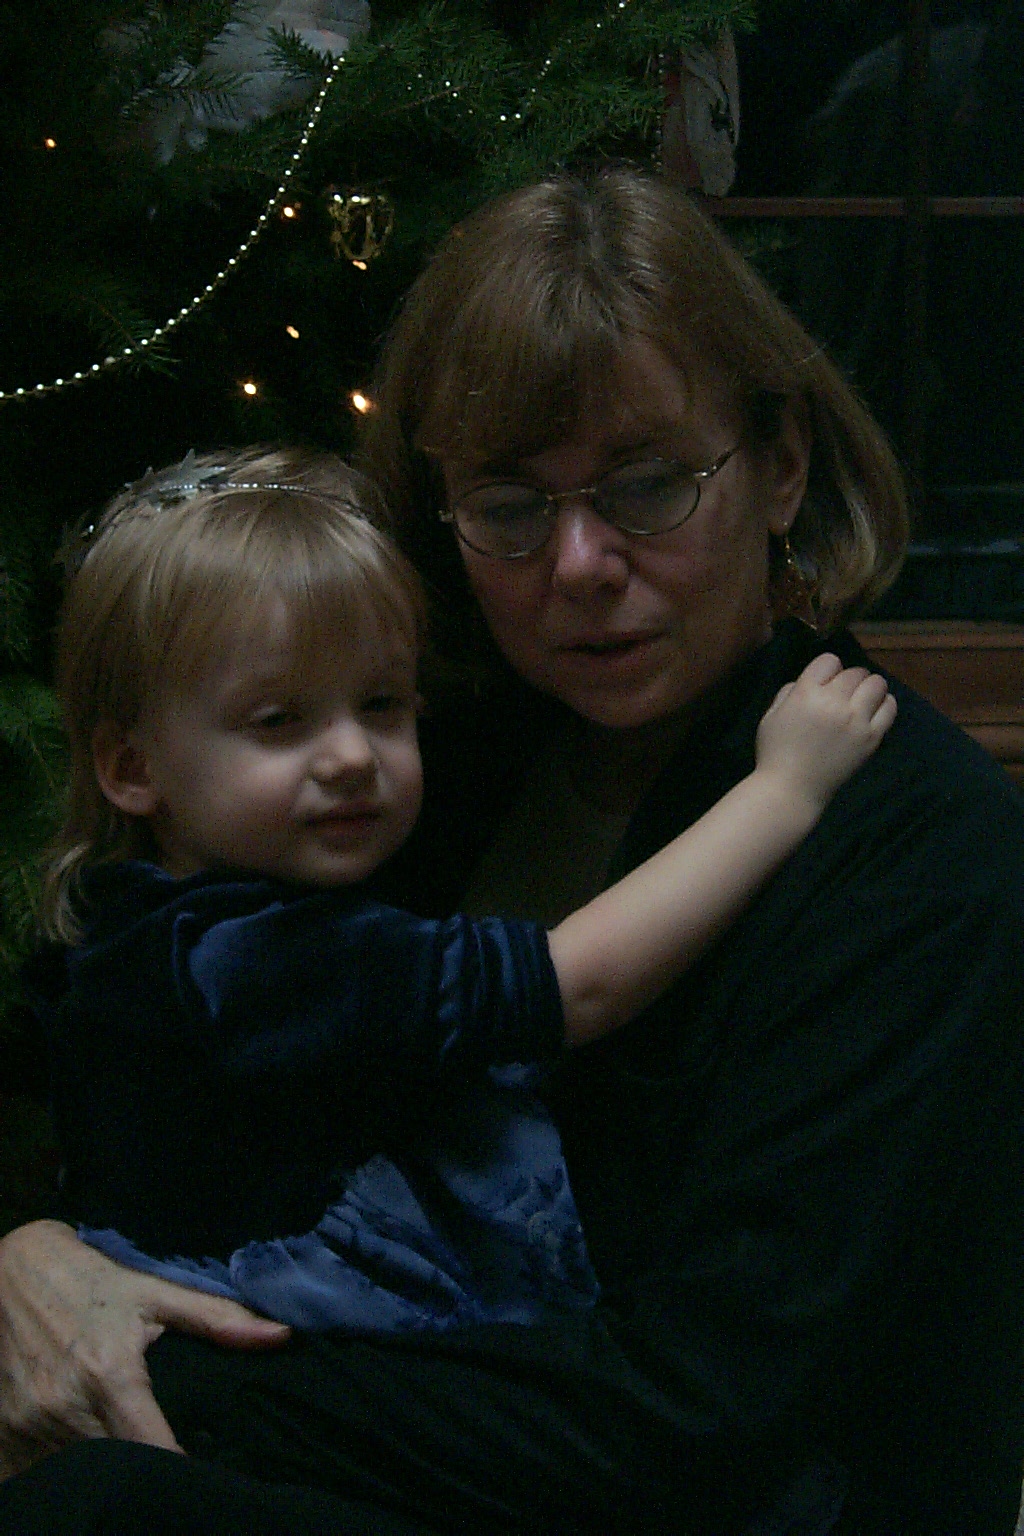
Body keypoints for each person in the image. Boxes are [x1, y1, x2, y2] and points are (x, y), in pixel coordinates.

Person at [0, 166, 1022, 1535]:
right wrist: (37, 1262)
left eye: (648, 485)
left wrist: (178, 1378)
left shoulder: (915, 843)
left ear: (781, 467)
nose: (580, 563)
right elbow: (183, 1100)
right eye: (510, 504)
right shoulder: (423, 762)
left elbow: (703, 1413)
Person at [27, 444, 889, 1336]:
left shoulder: (150, 924)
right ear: (132, 768)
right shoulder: (240, 960)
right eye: (278, 721)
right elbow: (577, 983)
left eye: (381, 704)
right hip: (306, 1366)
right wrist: (784, 791)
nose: (351, 757)